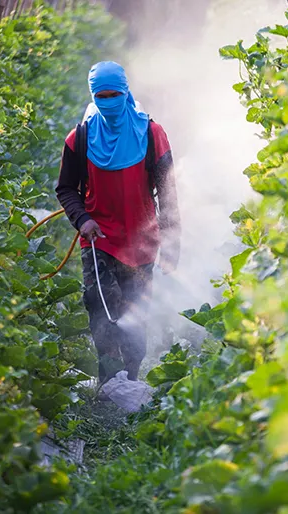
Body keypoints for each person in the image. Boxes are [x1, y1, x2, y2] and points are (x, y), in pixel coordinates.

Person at [55, 61, 180, 386]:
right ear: (93, 96)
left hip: (141, 242)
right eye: (102, 96)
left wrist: (171, 244)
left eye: (114, 95)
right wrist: (82, 220)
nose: (109, 102)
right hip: (99, 240)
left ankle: (131, 379)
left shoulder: (151, 134)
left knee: (135, 313)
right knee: (101, 308)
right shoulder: (80, 139)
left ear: (126, 92)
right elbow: (65, 188)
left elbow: (167, 192)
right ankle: (109, 382)